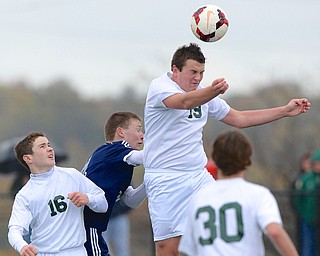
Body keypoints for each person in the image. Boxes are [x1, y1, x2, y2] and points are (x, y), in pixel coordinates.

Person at [143, 43, 311, 256]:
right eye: (192, 72)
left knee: (218, 234)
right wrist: (212, 90)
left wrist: (284, 111)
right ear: (175, 70)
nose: (197, 78)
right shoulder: (160, 87)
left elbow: (239, 118)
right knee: (169, 249)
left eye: (201, 73)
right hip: (166, 179)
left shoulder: (202, 95)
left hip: (197, 176)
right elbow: (184, 102)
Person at [179, 130, 299, 256]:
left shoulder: (198, 198)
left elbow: (189, 249)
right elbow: (274, 231)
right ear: (247, 159)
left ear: (215, 159)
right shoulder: (258, 194)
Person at [7, 131, 108, 256]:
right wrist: (22, 246)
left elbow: (103, 204)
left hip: (76, 251)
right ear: (28, 158)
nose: (50, 149)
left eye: (49, 145)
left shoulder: (72, 175)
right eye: (42, 146)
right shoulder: (25, 195)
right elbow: (14, 230)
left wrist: (88, 199)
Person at [81, 112, 146, 256]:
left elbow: (130, 200)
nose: (142, 135)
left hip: (90, 226)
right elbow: (143, 157)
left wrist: (149, 182)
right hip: (86, 225)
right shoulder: (116, 149)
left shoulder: (113, 159)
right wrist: (171, 147)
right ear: (120, 132)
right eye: (138, 129)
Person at [293, 149, 320, 256]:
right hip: (308, 219)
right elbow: (297, 198)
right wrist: (304, 213)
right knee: (308, 247)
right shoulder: (306, 179)